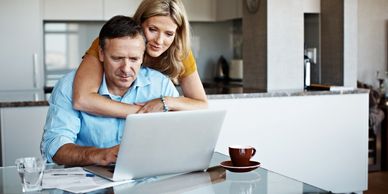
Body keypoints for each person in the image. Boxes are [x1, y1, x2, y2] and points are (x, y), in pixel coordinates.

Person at [41, 15, 179, 166]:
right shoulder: (69, 85)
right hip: (89, 181)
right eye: (117, 58)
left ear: (143, 56)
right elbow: (53, 147)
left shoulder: (161, 86)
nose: (126, 69)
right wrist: (98, 155)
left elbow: (180, 139)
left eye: (134, 59)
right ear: (101, 53)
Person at [72, 0, 207, 118]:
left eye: (169, 34)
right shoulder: (113, 41)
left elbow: (202, 104)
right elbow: (82, 99)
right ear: (140, 23)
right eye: (153, 29)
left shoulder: (179, 50)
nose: (159, 41)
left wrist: (165, 102)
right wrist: (143, 113)